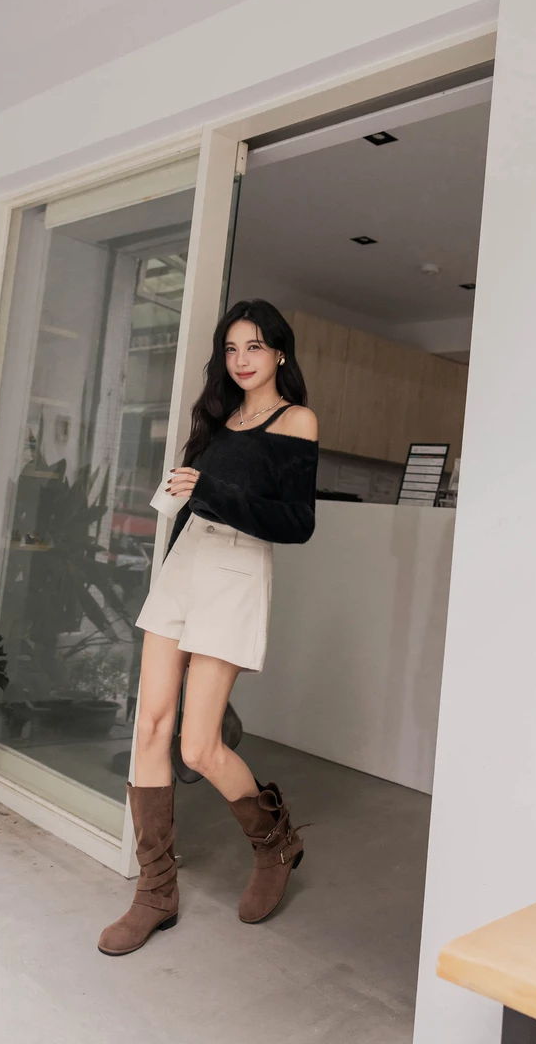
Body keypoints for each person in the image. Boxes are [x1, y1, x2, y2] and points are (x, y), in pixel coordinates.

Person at [98, 299, 319, 956]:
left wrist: (209, 491)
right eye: (231, 348)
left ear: (279, 351)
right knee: (150, 727)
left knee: (197, 747)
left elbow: (297, 524)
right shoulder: (218, 420)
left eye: (254, 346)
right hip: (185, 566)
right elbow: (189, 506)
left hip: (235, 570)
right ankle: (155, 892)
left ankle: (275, 844)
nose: (241, 360)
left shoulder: (295, 419)